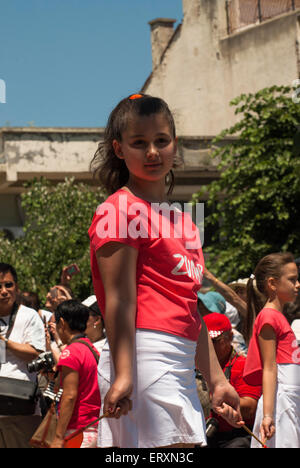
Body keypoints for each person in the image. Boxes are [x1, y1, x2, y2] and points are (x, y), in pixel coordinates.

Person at [89, 93, 244, 448]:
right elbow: (119, 299)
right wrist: (125, 374)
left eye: (162, 140)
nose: (153, 152)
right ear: (119, 149)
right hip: (143, 356)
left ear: (175, 144)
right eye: (139, 143)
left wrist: (218, 381)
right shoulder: (119, 210)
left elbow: (190, 307)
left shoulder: (185, 222)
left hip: (180, 362)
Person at [243, 252, 300, 448]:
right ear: (272, 284)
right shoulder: (269, 317)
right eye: (292, 280)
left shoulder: (278, 316)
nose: (298, 285)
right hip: (280, 404)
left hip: (289, 401)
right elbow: (269, 367)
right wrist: (268, 415)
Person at [0, 263, 46, 448]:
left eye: (8, 285)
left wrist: (5, 343)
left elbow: (36, 353)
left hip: (20, 409)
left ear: (17, 287)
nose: (3, 291)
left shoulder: (29, 316)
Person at [203, 313, 261, 448]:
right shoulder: (194, 366)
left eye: (213, 341)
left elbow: (250, 408)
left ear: (229, 338)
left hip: (235, 435)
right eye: (203, 341)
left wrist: (215, 399)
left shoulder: (243, 365)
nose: (207, 346)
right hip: (203, 434)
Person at [50, 300, 101, 448]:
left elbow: (69, 395)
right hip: (92, 428)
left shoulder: (71, 352)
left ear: (62, 323)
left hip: (77, 431)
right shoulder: (91, 349)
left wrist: (58, 437)